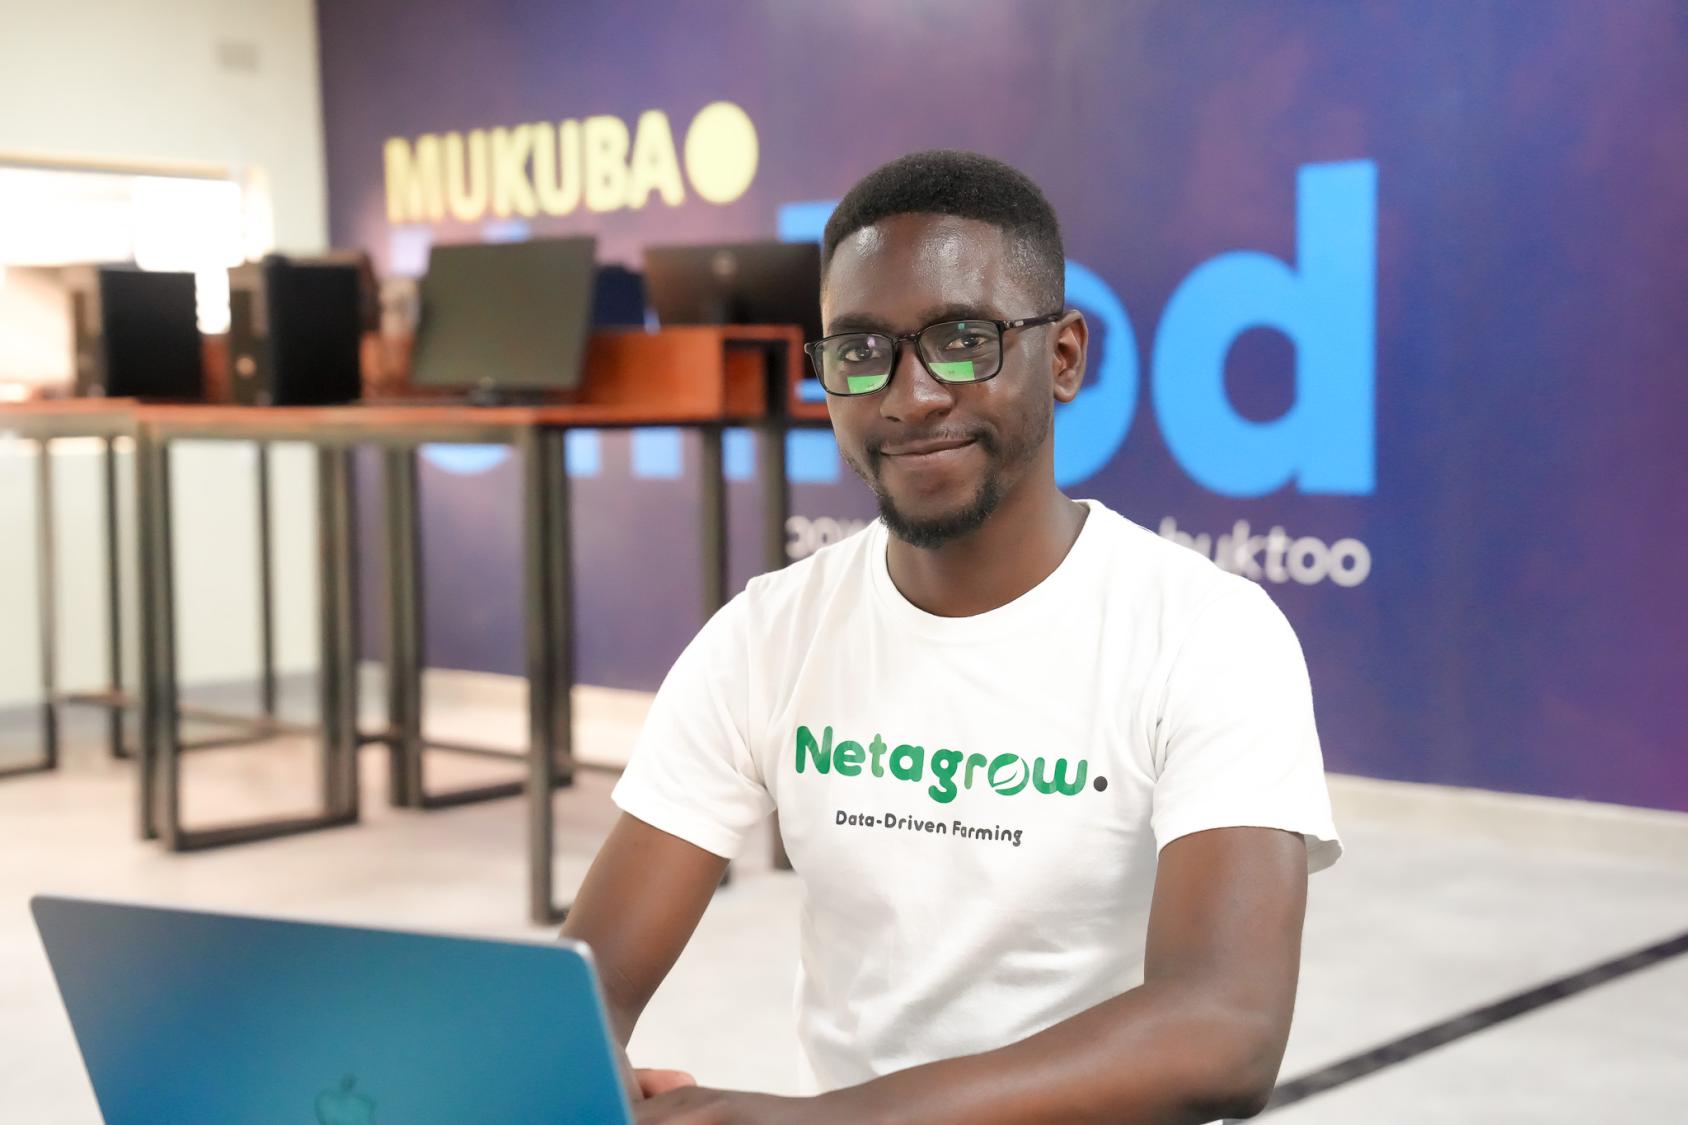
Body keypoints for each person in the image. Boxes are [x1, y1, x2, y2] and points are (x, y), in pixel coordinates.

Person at [561, 149, 1342, 1124]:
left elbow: (1223, 1029)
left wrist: (816, 1124)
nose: (911, 396)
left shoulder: (1208, 633)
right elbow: (585, 992)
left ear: (1063, 356)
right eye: (860, 351)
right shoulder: (766, 635)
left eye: (962, 340)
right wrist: (565, 1073)